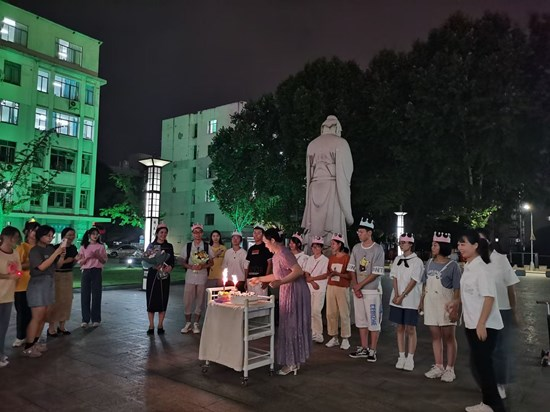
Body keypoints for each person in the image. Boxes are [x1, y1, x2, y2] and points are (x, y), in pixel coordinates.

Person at [249, 228, 311, 375]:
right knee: (287, 324)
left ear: (272, 240)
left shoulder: (284, 253)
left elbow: (298, 271)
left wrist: (281, 282)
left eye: (266, 243)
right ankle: (292, 360)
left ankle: (293, 362)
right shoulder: (276, 255)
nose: (265, 246)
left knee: (292, 325)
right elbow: (277, 275)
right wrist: (259, 279)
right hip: (287, 290)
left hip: (295, 291)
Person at [457, 229, 505, 412]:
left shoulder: (482, 269)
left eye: (463, 244)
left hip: (485, 326)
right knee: (481, 366)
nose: (460, 247)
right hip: (472, 323)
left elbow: (489, 297)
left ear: (475, 245)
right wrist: (455, 303)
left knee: (484, 367)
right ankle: (487, 403)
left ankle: (496, 406)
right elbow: (469, 293)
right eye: (459, 244)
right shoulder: (469, 266)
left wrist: (482, 323)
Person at [478, 228, 519, 400]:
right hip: (482, 312)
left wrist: (514, 311)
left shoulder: (500, 260)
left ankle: (500, 383)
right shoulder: (475, 263)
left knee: (500, 349)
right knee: (484, 350)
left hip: (501, 310)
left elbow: (511, 288)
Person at [301, 115, 354, 246]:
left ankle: (313, 250)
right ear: (337, 128)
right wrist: (348, 215)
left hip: (314, 188)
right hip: (333, 186)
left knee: (314, 227)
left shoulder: (312, 145)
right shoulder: (341, 143)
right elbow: (345, 173)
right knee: (333, 227)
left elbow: (308, 173)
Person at [420, 232, 462, 383]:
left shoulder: (453, 266)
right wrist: (421, 301)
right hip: (431, 303)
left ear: (443, 246)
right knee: (435, 336)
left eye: (435, 245)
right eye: (432, 244)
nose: (432, 247)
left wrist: (455, 309)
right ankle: (438, 366)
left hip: (446, 305)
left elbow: (457, 290)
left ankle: (450, 368)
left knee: (449, 337)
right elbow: (425, 284)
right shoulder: (429, 263)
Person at [24, 225, 66, 358]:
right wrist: (56, 253)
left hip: (49, 284)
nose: (50, 238)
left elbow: (56, 266)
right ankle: (28, 346)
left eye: (52, 236)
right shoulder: (35, 250)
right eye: (48, 235)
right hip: (38, 285)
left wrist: (61, 256)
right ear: (40, 235)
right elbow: (41, 267)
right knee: (37, 317)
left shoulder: (50, 249)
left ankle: (35, 342)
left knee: (43, 317)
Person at [347, 218, 385, 362]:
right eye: (358, 231)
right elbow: (352, 268)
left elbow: (376, 272)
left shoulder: (377, 249)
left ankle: (373, 349)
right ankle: (364, 347)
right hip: (358, 291)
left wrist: (360, 285)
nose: (359, 234)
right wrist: (355, 285)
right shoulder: (356, 248)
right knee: (361, 320)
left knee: (373, 321)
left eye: (361, 232)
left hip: (372, 291)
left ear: (369, 233)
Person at [389, 233, 424, 372]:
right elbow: (394, 277)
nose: (401, 244)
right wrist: (396, 294)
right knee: (400, 327)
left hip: (411, 299)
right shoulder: (397, 259)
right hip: (397, 299)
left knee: (410, 328)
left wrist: (402, 296)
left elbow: (414, 281)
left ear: (411, 244)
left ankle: (410, 357)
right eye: (400, 242)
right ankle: (401, 356)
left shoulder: (417, 261)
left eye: (404, 242)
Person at [180, 223, 213, 334]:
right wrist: (190, 266)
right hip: (190, 276)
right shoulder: (188, 246)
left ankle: (196, 323)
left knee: (200, 299)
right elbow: (181, 260)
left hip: (202, 276)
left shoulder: (207, 246)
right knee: (187, 300)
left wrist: (203, 266)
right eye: (195, 232)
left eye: (199, 232)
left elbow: (211, 262)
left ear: (202, 233)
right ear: (192, 234)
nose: (197, 234)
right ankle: (188, 322)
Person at [46, 227, 78, 337]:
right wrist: (65, 259)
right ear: (63, 236)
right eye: (69, 235)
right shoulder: (56, 248)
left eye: (73, 235)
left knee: (67, 301)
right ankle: (51, 328)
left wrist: (75, 260)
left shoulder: (73, 248)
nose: (71, 237)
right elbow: (55, 264)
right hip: (57, 275)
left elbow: (73, 264)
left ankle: (62, 326)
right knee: (55, 301)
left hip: (68, 275)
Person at [12, 220, 39, 348]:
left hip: (37, 285)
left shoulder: (40, 248)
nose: (36, 233)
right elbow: (17, 266)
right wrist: (32, 263)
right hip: (22, 286)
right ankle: (20, 336)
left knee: (34, 313)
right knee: (22, 313)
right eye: (34, 230)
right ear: (27, 232)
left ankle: (31, 336)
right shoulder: (22, 247)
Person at [145, 223, 175, 335]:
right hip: (153, 276)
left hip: (164, 276)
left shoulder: (169, 246)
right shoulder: (151, 246)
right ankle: (151, 325)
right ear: (157, 233)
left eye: (165, 232)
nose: (163, 234)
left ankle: (160, 324)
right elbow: (147, 260)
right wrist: (154, 266)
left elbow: (172, 261)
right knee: (151, 299)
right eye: (161, 232)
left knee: (163, 299)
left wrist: (170, 267)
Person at [325, 233, 352, 350]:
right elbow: (328, 271)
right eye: (331, 244)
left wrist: (338, 274)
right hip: (331, 286)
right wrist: (330, 274)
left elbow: (350, 275)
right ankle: (334, 336)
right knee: (330, 313)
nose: (332, 246)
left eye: (333, 244)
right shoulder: (331, 258)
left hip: (342, 287)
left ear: (340, 244)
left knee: (344, 313)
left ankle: (345, 338)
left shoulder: (347, 258)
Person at [0, 226, 22, 367]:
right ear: (6, 237)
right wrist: (8, 276)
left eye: (17, 237)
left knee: (3, 327)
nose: (16, 240)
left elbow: (18, 270)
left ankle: (1, 353)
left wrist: (17, 274)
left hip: (8, 295)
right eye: (15, 237)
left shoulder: (15, 253)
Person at [78, 227, 107, 328]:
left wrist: (98, 256)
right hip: (86, 271)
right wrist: (88, 257)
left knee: (96, 295)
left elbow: (104, 261)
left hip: (96, 271)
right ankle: (85, 319)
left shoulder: (101, 246)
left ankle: (96, 319)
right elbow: (80, 262)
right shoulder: (83, 247)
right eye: (93, 234)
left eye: (97, 234)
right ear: (89, 235)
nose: (95, 236)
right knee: (85, 295)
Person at [303, 235, 329, 345]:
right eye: (313, 247)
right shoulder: (310, 259)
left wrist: (312, 279)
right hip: (310, 287)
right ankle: (312, 332)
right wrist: (312, 281)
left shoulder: (325, 260)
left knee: (316, 311)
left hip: (320, 288)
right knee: (310, 310)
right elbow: (306, 272)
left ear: (321, 248)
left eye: (318, 247)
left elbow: (325, 274)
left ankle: (319, 334)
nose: (315, 249)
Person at [245, 225, 273, 296]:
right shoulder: (251, 249)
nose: (256, 235)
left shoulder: (266, 247)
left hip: (261, 279)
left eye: (258, 233)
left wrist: (266, 280)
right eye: (254, 232)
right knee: (250, 300)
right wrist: (246, 280)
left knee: (261, 300)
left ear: (263, 235)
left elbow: (270, 264)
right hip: (250, 279)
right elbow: (247, 265)